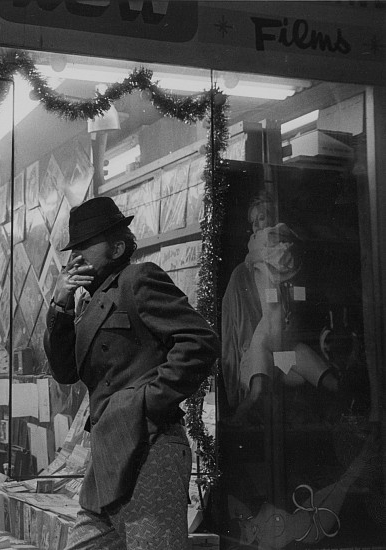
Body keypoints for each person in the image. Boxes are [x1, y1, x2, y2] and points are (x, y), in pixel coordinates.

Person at [43, 196, 219, 548]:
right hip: (108, 454)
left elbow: (200, 340)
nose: (74, 256)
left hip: (149, 448)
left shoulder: (137, 279)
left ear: (117, 247)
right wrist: (60, 306)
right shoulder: (88, 302)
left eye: (84, 245)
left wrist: (147, 402)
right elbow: (65, 372)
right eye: (72, 248)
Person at [221, 192, 338, 423]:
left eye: (261, 218)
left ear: (273, 217)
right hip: (274, 334)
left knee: (278, 374)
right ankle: (341, 391)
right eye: (253, 222)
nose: (256, 226)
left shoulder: (271, 245)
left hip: (277, 332)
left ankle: (346, 396)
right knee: (275, 375)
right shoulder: (273, 248)